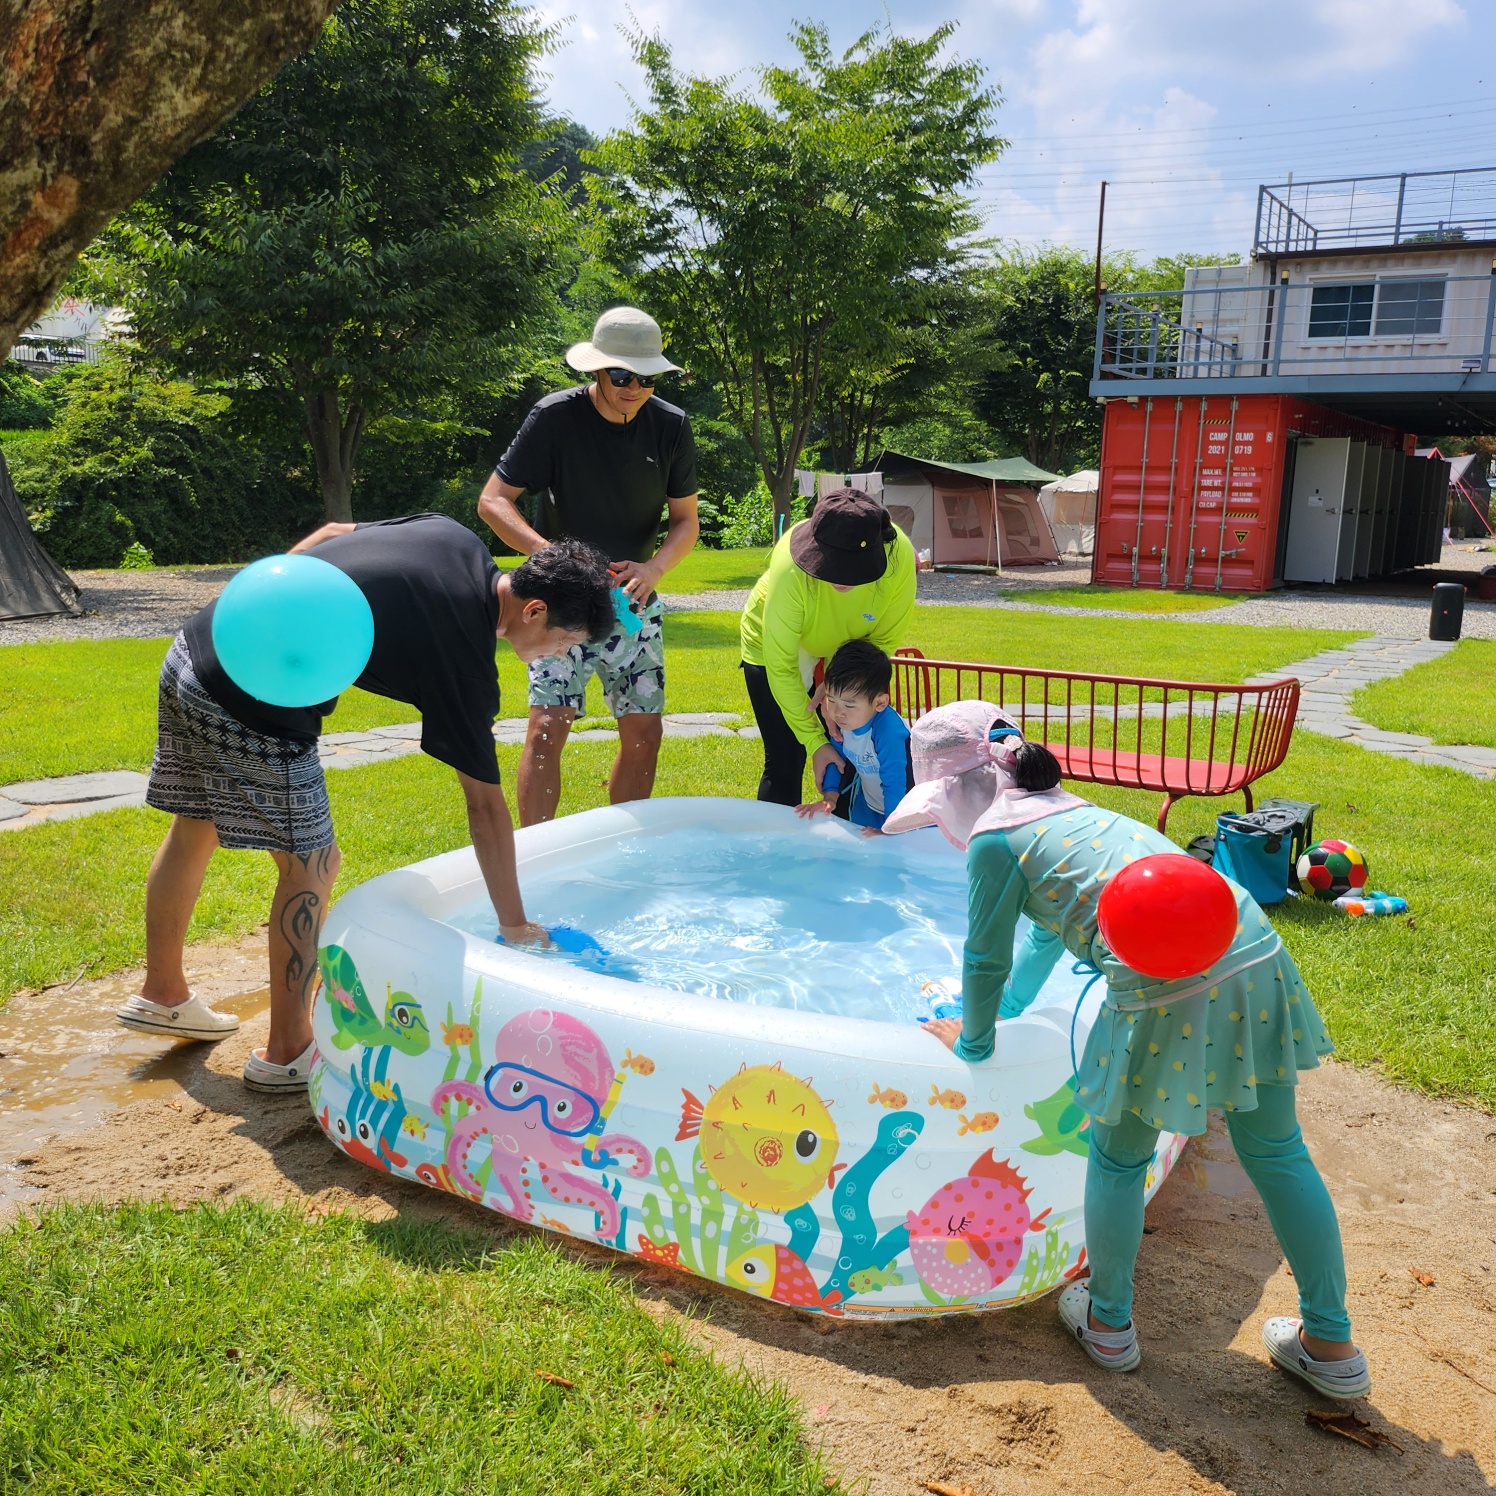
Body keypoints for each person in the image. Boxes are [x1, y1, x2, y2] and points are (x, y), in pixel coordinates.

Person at [883, 700, 1371, 1402]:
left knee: (1118, 1156)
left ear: (954, 792)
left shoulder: (995, 843)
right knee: (1277, 1149)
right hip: (1250, 942)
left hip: (1163, 983)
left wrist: (978, 1037)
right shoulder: (1071, 813)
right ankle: (1332, 1343)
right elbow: (1050, 930)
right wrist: (1019, 1010)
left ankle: (1108, 1325)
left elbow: (983, 958)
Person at [116, 515, 616, 1093]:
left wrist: (269, 600)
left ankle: (163, 992)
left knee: (195, 827)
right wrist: (514, 923)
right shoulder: (463, 655)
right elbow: (484, 806)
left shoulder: (452, 536)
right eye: (564, 642)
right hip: (248, 699)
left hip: (200, 645)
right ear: (534, 611)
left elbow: (330, 534)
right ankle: (287, 1052)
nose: (556, 656)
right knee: (313, 864)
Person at [476, 306, 700, 825]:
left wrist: (655, 569)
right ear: (596, 369)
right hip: (559, 601)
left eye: (646, 378)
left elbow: (685, 521)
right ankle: (537, 857)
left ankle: (622, 854)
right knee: (547, 727)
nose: (634, 388)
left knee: (645, 732)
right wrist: (551, 557)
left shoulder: (671, 426)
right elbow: (493, 501)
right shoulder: (555, 417)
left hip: (634, 599)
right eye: (622, 375)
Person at [739, 488, 916, 808]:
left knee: (851, 752)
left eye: (849, 567)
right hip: (777, 645)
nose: (839, 577)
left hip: (848, 651)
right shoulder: (789, 567)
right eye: (830, 563)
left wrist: (836, 683)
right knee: (786, 758)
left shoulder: (899, 557)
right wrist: (814, 742)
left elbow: (882, 642)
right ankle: (778, 856)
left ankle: (846, 850)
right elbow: (781, 666)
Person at [794, 639, 911, 831]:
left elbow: (895, 783)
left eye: (849, 705)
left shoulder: (888, 731)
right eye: (831, 699)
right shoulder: (846, 721)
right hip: (868, 803)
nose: (838, 712)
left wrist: (891, 829)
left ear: (880, 703)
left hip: (905, 810)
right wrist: (830, 797)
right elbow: (836, 758)